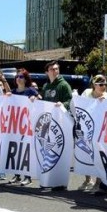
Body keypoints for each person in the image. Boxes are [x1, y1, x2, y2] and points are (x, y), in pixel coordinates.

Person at [41, 61, 72, 191]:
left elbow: (70, 100)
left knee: (59, 151)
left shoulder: (64, 85)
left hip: (60, 123)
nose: (55, 71)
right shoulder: (46, 86)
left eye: (57, 69)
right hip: (48, 123)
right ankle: (48, 179)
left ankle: (59, 182)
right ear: (47, 72)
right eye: (52, 69)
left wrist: (62, 104)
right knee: (47, 151)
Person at [77, 75, 107, 193]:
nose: (103, 87)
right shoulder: (86, 93)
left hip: (100, 132)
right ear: (94, 85)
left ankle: (98, 183)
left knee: (99, 157)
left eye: (104, 84)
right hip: (86, 129)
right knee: (85, 153)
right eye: (100, 84)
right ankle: (88, 180)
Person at [6, 69, 39, 186]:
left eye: (21, 76)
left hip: (27, 126)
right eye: (17, 77)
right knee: (16, 150)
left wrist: (34, 98)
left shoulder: (30, 90)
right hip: (16, 126)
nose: (18, 78)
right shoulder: (13, 92)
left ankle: (27, 177)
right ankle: (17, 175)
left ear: (25, 79)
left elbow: (40, 98)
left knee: (26, 151)